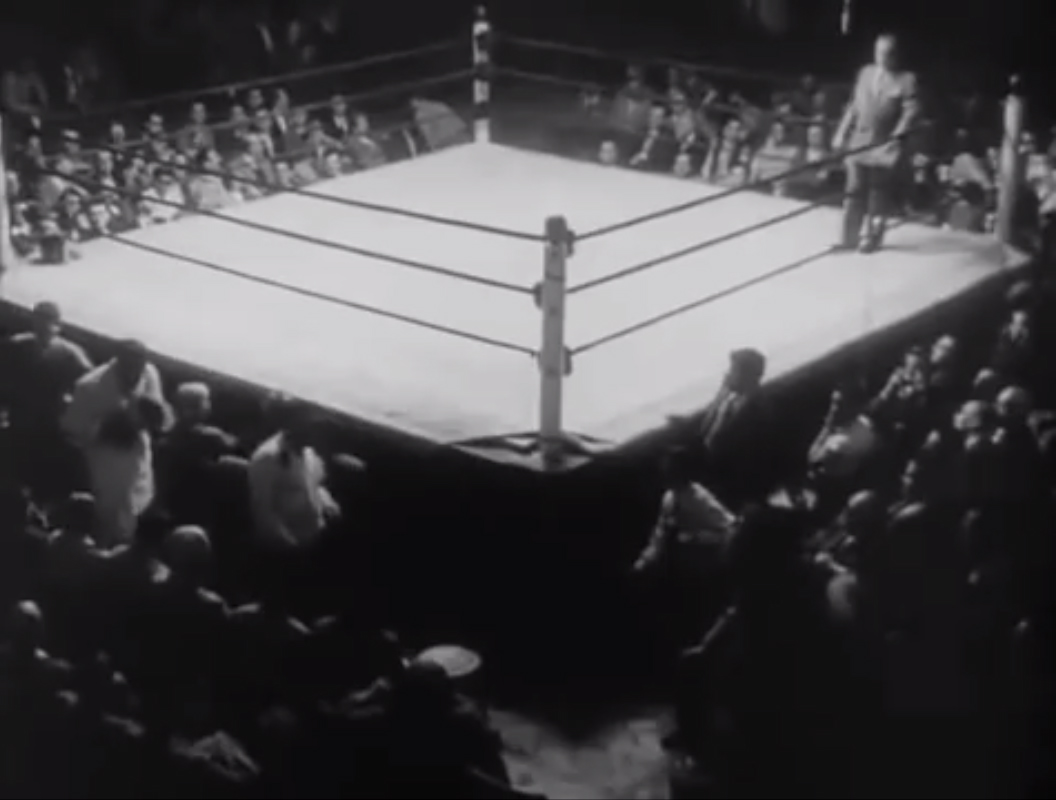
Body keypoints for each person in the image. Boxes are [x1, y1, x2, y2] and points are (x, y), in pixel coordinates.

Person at [832, 34, 919, 253]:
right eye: (879, 52)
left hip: (884, 144)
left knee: (878, 193)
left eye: (887, 53)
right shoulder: (865, 73)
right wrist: (841, 132)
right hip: (859, 141)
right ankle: (848, 238)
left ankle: (872, 237)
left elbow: (911, 112)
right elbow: (854, 106)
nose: (882, 57)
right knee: (853, 190)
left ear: (895, 55)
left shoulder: (906, 79)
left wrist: (897, 136)